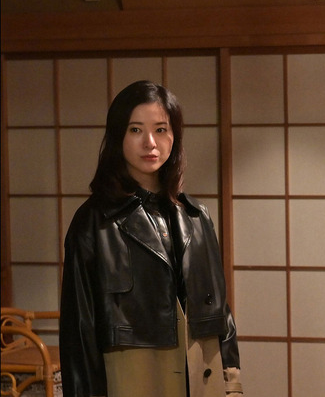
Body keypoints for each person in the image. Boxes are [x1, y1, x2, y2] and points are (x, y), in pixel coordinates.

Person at [60, 80, 243, 397]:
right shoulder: (93, 222)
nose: (150, 143)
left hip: (203, 377)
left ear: (175, 136)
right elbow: (80, 331)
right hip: (132, 379)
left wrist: (233, 386)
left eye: (160, 130)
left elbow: (221, 313)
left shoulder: (197, 216)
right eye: (135, 130)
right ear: (117, 136)